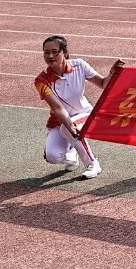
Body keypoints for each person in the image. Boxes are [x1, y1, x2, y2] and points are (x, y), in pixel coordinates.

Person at [34, 35, 107, 179]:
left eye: (55, 51)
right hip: (60, 121)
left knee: (67, 127)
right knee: (52, 156)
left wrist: (113, 72)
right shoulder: (41, 80)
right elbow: (58, 108)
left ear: (65, 52)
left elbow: (103, 83)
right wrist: (69, 126)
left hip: (85, 114)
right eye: (46, 52)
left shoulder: (79, 65)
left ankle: (92, 164)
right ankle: (72, 155)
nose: (50, 56)